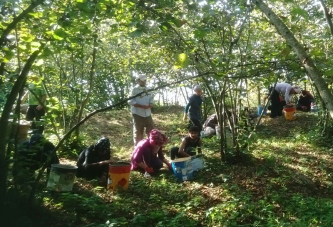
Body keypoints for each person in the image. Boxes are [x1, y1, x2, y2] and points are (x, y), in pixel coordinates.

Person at [128, 74, 154, 145]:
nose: (144, 82)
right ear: (138, 80)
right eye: (142, 81)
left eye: (145, 80)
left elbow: (151, 98)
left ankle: (151, 146)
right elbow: (130, 101)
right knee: (138, 132)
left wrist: (151, 104)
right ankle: (138, 148)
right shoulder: (134, 90)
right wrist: (140, 106)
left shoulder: (148, 89)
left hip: (148, 113)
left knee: (151, 130)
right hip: (137, 113)